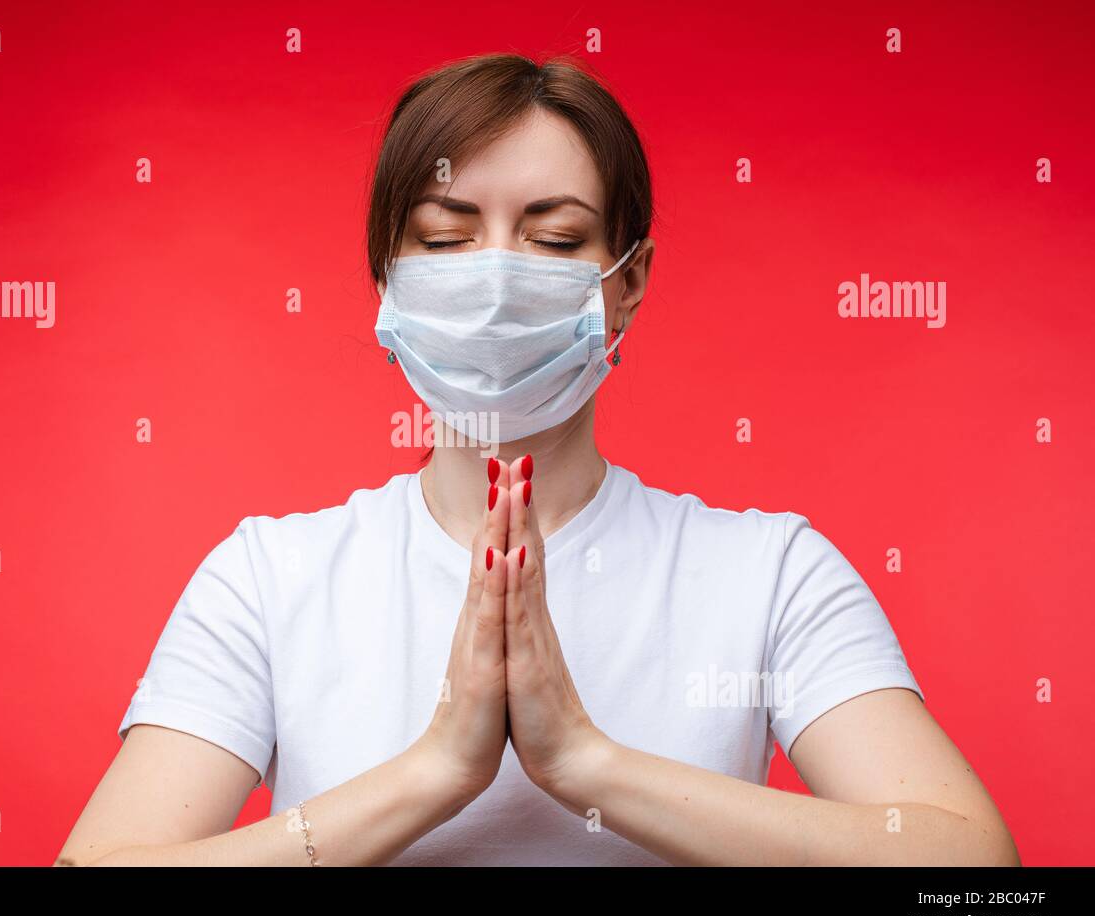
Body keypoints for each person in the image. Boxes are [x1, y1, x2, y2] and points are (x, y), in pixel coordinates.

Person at [56, 53, 1019, 866]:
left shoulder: (768, 572)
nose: (494, 274)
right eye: (446, 236)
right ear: (386, 275)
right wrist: (434, 772)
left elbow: (974, 874)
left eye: (554, 238)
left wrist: (587, 765)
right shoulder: (269, 578)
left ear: (626, 279)